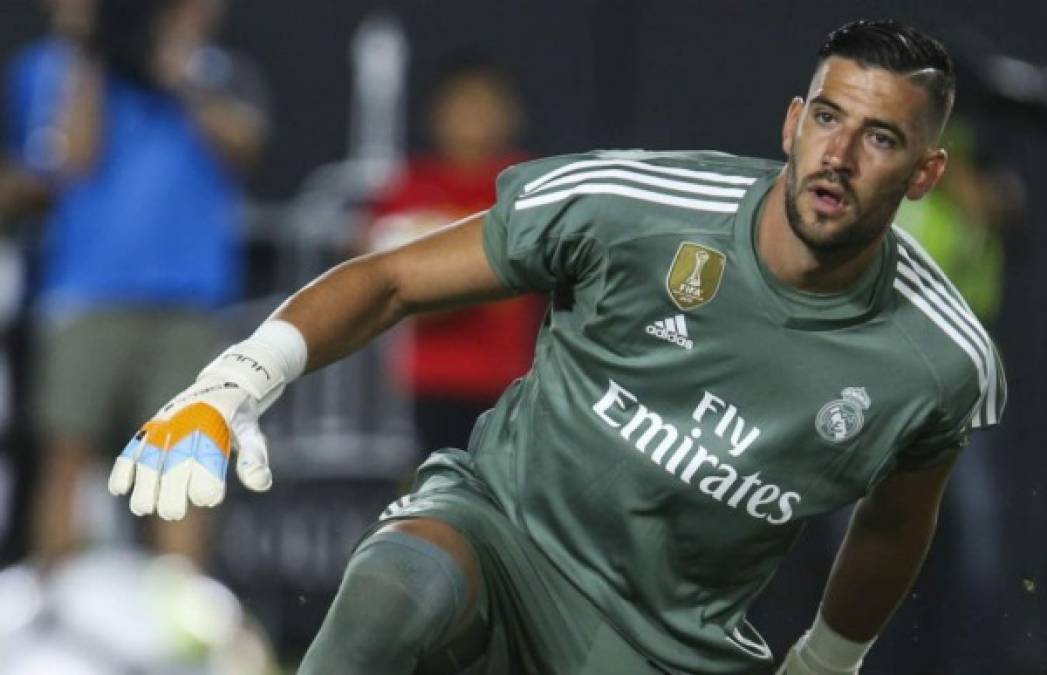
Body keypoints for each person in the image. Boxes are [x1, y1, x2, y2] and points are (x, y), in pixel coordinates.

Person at [108, 19, 1007, 675]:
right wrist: (236, 381)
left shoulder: (938, 356)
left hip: (666, 641)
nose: (838, 155)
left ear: (924, 172)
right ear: (789, 123)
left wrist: (825, 662)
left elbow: (895, 519)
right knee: (392, 587)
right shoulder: (635, 205)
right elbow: (390, 280)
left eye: (879, 137)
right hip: (502, 535)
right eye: (826, 117)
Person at [9, 0, 268, 570]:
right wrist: (91, 51)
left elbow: (246, 146)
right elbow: (71, 158)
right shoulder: (55, 66)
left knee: (182, 463)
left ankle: (181, 630)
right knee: (66, 458)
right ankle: (53, 630)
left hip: (187, 301)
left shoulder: (221, 70)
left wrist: (180, 75)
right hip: (88, 293)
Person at [368, 63, 541, 453]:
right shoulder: (412, 185)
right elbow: (384, 273)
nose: (473, 118)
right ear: (437, 115)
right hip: (433, 380)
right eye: (463, 106)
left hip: (510, 379)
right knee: (437, 491)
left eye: (485, 106)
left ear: (509, 114)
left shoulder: (527, 185)